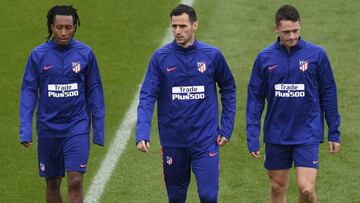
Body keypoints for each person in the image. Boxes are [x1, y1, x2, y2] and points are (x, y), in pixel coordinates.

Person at [136, 4, 236, 203]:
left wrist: (226, 128)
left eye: (182, 26)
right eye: (174, 26)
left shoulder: (212, 55)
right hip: (173, 141)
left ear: (195, 25)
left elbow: (229, 88)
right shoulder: (160, 58)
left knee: (209, 197)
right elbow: (147, 95)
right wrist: (142, 132)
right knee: (176, 198)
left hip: (205, 140)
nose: (177, 31)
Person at [246, 4, 341, 203]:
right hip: (276, 133)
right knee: (277, 187)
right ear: (276, 29)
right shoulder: (264, 58)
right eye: (286, 32)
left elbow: (329, 93)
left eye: (295, 30)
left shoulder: (316, 55)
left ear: (301, 26)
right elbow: (255, 98)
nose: (291, 36)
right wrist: (252, 135)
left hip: (307, 131)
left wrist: (334, 131)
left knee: (306, 189)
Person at [20, 5, 105, 203]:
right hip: (48, 128)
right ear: (51, 27)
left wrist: (98, 129)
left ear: (75, 27)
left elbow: (94, 90)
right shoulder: (38, 56)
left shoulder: (86, 54)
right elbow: (28, 91)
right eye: (59, 27)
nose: (64, 32)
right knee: (52, 182)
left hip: (77, 127)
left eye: (68, 27)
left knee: (75, 181)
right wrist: (25, 129)